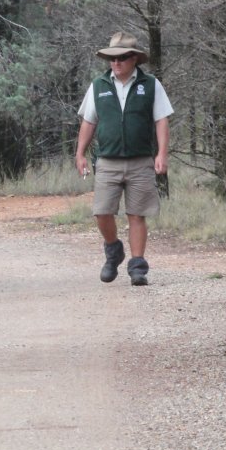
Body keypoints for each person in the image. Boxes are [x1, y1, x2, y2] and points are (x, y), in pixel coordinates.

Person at [75, 31, 173, 286]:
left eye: (122, 58)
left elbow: (161, 120)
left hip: (141, 160)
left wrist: (162, 153)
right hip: (107, 160)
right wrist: (80, 154)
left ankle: (137, 267)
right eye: (112, 59)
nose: (116, 63)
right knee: (102, 212)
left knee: (137, 214)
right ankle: (113, 250)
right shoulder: (99, 86)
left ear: (134, 59)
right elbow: (88, 121)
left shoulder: (150, 84)